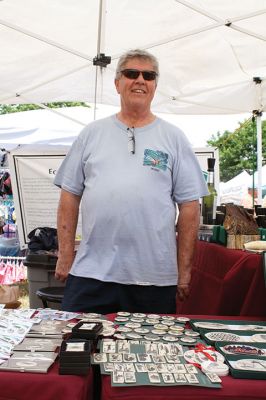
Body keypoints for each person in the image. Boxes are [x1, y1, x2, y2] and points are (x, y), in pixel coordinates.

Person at [54, 48, 208, 314]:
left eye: (148, 75)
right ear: (117, 83)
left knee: (153, 354)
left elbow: (190, 207)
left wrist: (184, 271)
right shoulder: (91, 134)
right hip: (91, 274)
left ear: (155, 86)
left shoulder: (174, 138)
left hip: (154, 278)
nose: (140, 80)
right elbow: (69, 196)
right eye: (131, 73)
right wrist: (65, 255)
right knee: (75, 349)